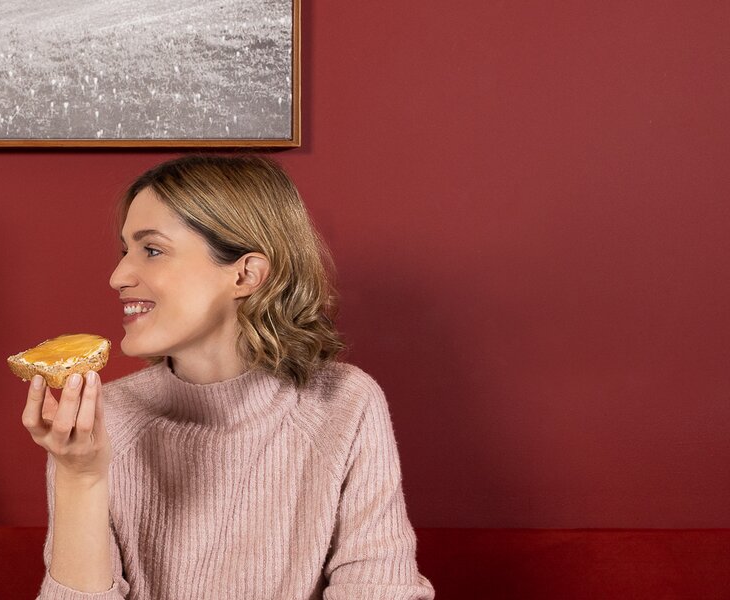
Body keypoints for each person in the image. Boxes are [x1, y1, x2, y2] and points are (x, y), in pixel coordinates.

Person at [22, 155, 433, 599]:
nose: (118, 276)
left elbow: (378, 588)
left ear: (245, 274)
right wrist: (80, 477)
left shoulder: (344, 404)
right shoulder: (102, 421)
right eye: (125, 251)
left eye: (152, 250)